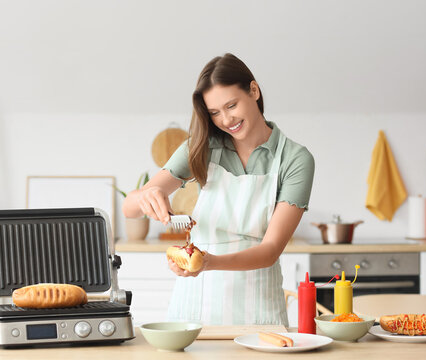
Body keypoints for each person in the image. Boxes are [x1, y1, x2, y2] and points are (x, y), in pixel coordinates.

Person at [122, 53, 314, 326]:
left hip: (257, 307)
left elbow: (271, 249)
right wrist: (145, 196)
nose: (226, 120)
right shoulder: (201, 147)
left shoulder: (295, 159)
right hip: (194, 306)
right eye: (214, 113)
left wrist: (208, 262)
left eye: (231, 105)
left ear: (254, 91)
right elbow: (128, 209)